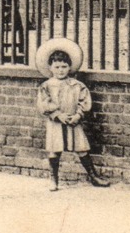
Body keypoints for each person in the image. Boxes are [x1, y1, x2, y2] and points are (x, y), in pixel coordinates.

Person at [35, 37, 110, 191]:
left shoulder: (77, 85)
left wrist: (78, 115)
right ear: (50, 67)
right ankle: (54, 180)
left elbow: (84, 101)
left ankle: (93, 177)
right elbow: (44, 104)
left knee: (82, 148)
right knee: (54, 150)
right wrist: (57, 114)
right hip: (56, 122)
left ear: (70, 67)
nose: (61, 70)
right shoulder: (46, 86)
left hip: (73, 120)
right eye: (57, 67)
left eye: (64, 66)